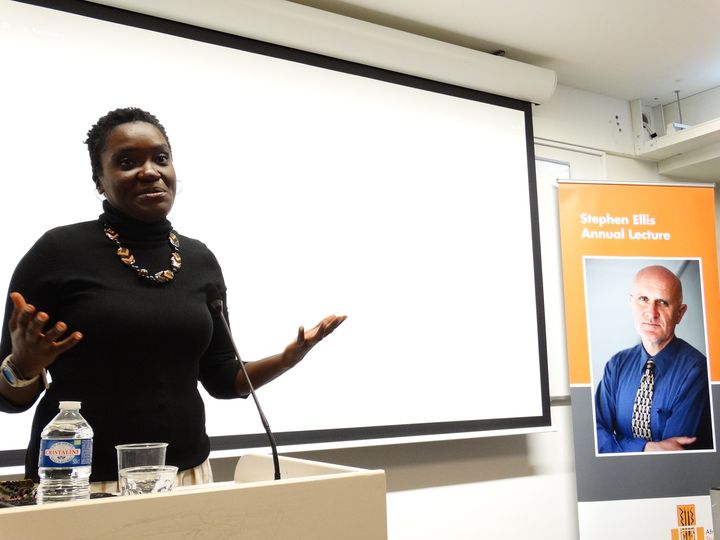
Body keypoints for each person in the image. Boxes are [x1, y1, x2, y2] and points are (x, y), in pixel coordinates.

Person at [0, 107, 346, 487]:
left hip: (186, 474)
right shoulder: (57, 252)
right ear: (99, 180)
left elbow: (222, 377)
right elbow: (9, 399)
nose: (150, 171)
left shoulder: (200, 259)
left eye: (160, 158)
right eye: (127, 162)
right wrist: (24, 366)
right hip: (82, 480)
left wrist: (285, 360)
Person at [595, 264, 711, 453]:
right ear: (631, 302)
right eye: (643, 299)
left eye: (663, 302)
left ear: (679, 313)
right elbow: (595, 435)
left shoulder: (697, 370)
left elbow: (672, 455)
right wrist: (645, 448)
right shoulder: (616, 365)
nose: (652, 313)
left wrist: (616, 445)